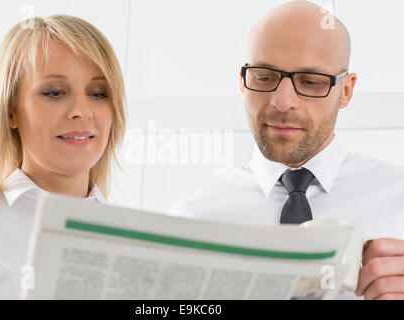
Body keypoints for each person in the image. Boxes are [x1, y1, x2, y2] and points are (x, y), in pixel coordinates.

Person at [169, 1, 404, 300]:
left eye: (311, 81)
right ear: (243, 81)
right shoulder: (191, 222)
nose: (283, 102)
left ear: (345, 91)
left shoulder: (400, 202)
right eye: (265, 77)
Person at [0, 15, 126, 299]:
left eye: (98, 93)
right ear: (10, 110)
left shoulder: (133, 239)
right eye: (55, 92)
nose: (81, 111)